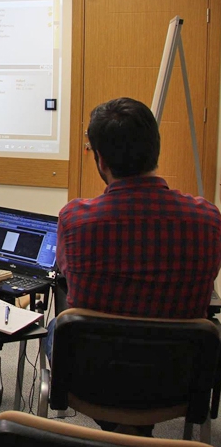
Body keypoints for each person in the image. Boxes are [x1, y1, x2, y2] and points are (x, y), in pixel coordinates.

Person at [53, 97, 221, 435]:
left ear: (100, 160)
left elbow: (67, 274)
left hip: (92, 380)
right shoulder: (208, 219)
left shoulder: (75, 219)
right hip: (178, 381)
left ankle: (117, 429)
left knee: (58, 323)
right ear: (155, 149)